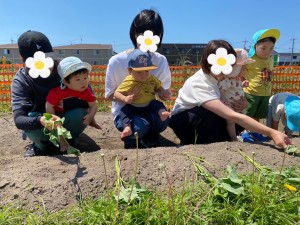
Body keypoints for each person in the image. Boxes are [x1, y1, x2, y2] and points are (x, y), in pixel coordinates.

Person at [169, 39, 291, 149]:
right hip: (185, 120)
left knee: (235, 119)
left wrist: (243, 105)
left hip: (204, 116)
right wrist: (272, 132)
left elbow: (233, 107)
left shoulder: (222, 78)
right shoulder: (200, 83)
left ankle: (220, 140)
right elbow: (230, 115)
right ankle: (193, 142)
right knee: (211, 117)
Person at [11, 30, 91, 157]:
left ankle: (71, 140)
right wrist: (41, 120)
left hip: (67, 118)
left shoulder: (67, 69)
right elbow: (19, 119)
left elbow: (88, 97)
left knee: (79, 113)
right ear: (24, 60)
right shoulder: (22, 80)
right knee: (32, 116)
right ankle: (40, 146)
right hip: (41, 122)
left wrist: (69, 103)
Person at [105, 9, 171, 149]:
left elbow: (162, 90)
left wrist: (164, 94)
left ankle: (151, 136)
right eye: (143, 33)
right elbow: (110, 94)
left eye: (154, 34)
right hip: (127, 111)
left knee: (161, 119)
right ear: (134, 34)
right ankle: (132, 139)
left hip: (148, 107)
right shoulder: (116, 61)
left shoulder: (161, 61)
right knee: (138, 125)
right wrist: (126, 98)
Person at [46, 56, 101, 152]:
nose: (83, 82)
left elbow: (93, 105)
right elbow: (49, 104)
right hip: (58, 114)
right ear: (66, 82)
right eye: (78, 79)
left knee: (83, 113)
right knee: (57, 126)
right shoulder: (58, 92)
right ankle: (62, 143)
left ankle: (72, 139)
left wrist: (91, 116)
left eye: (85, 77)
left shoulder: (86, 91)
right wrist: (53, 117)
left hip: (72, 116)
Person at [114, 49, 170, 139]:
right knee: (124, 111)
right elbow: (117, 93)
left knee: (157, 103)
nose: (143, 75)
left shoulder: (152, 79)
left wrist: (162, 91)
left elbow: (159, 86)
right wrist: (125, 98)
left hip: (149, 106)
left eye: (147, 71)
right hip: (133, 107)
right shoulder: (129, 81)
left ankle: (162, 113)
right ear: (130, 70)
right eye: (139, 72)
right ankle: (127, 128)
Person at [243, 28, 280, 122]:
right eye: (263, 48)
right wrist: (243, 81)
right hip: (251, 92)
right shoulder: (250, 59)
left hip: (265, 93)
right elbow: (241, 72)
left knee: (258, 114)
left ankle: (255, 132)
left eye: (271, 48)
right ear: (255, 46)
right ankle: (243, 132)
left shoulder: (270, 60)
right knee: (248, 113)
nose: (267, 51)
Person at [218, 48, 255, 141]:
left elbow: (236, 87)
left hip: (238, 105)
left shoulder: (237, 79)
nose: (244, 71)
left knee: (243, 119)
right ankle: (233, 138)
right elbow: (220, 92)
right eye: (242, 69)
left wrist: (243, 85)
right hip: (230, 106)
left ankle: (245, 133)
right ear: (234, 69)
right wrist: (224, 102)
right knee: (231, 121)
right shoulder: (226, 80)